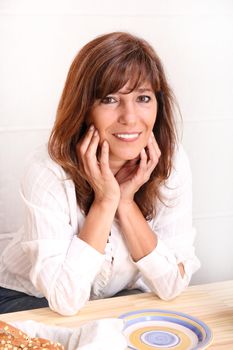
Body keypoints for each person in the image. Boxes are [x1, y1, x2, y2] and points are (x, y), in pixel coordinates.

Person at [0, 32, 200, 315]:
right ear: (84, 109)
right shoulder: (48, 170)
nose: (130, 117)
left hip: (113, 299)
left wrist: (126, 203)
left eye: (143, 97)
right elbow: (64, 299)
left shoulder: (172, 161)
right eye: (109, 99)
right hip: (30, 299)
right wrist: (106, 201)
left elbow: (171, 285)